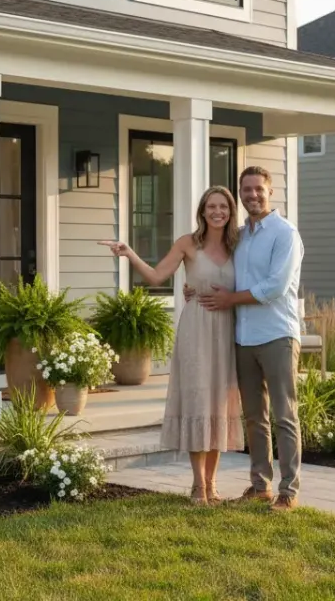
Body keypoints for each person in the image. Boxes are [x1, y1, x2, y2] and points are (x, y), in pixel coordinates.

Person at [99, 186, 244, 506]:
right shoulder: (187, 244)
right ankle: (198, 486)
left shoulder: (239, 245)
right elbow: (156, 276)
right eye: (211, 206)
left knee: (218, 405)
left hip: (227, 330)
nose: (217, 211)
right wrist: (129, 252)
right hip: (196, 329)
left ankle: (213, 484)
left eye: (223, 206)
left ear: (232, 211)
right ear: (202, 211)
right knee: (197, 401)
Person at [189, 166, 304, 511]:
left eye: (258, 189)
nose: (252, 195)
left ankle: (289, 490)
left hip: (277, 335)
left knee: (284, 414)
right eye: (247, 190)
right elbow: (219, 271)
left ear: (270, 192)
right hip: (242, 337)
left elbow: (275, 287)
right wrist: (193, 287)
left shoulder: (285, 233)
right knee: (254, 416)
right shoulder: (239, 236)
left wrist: (229, 299)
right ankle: (260, 484)